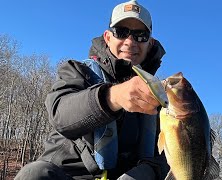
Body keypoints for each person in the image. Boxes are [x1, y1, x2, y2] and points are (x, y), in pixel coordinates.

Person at [15, 0, 169, 179]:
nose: (130, 42)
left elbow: (172, 154)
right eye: (121, 32)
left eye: (140, 35)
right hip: (70, 175)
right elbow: (60, 114)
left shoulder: (162, 95)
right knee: (35, 174)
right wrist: (113, 97)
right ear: (108, 37)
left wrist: (148, 172)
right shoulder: (77, 71)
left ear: (150, 43)